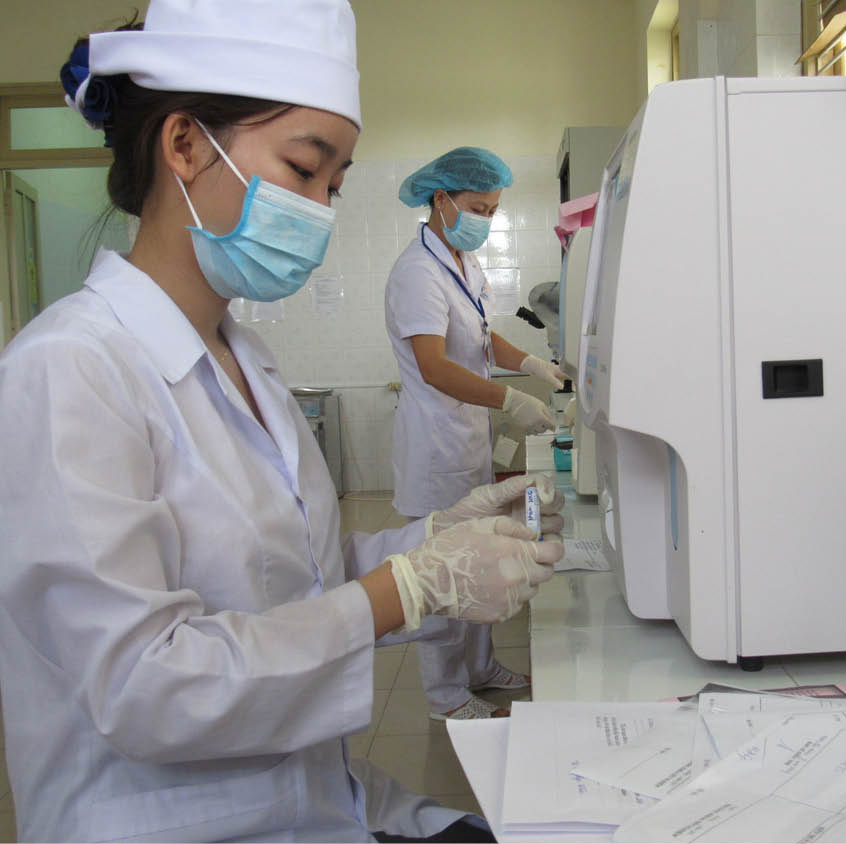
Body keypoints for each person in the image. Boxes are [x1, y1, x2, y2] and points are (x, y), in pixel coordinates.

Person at [0, 2, 564, 841]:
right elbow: (145, 689)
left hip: (320, 797)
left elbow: (293, 582)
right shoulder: (68, 370)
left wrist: (433, 541)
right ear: (184, 144)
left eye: (333, 185)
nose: (320, 210)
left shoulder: (246, 360)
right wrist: (407, 589)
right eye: (304, 169)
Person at [384, 149, 567, 720]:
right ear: (441, 199)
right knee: (443, 570)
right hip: (434, 445)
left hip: (466, 439)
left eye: (492, 211)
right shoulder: (417, 273)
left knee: (480, 554)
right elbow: (435, 367)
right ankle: (444, 695)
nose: (485, 219)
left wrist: (534, 366)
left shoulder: (463, 263)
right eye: (478, 208)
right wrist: (511, 400)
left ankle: (482, 668)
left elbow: (485, 340)